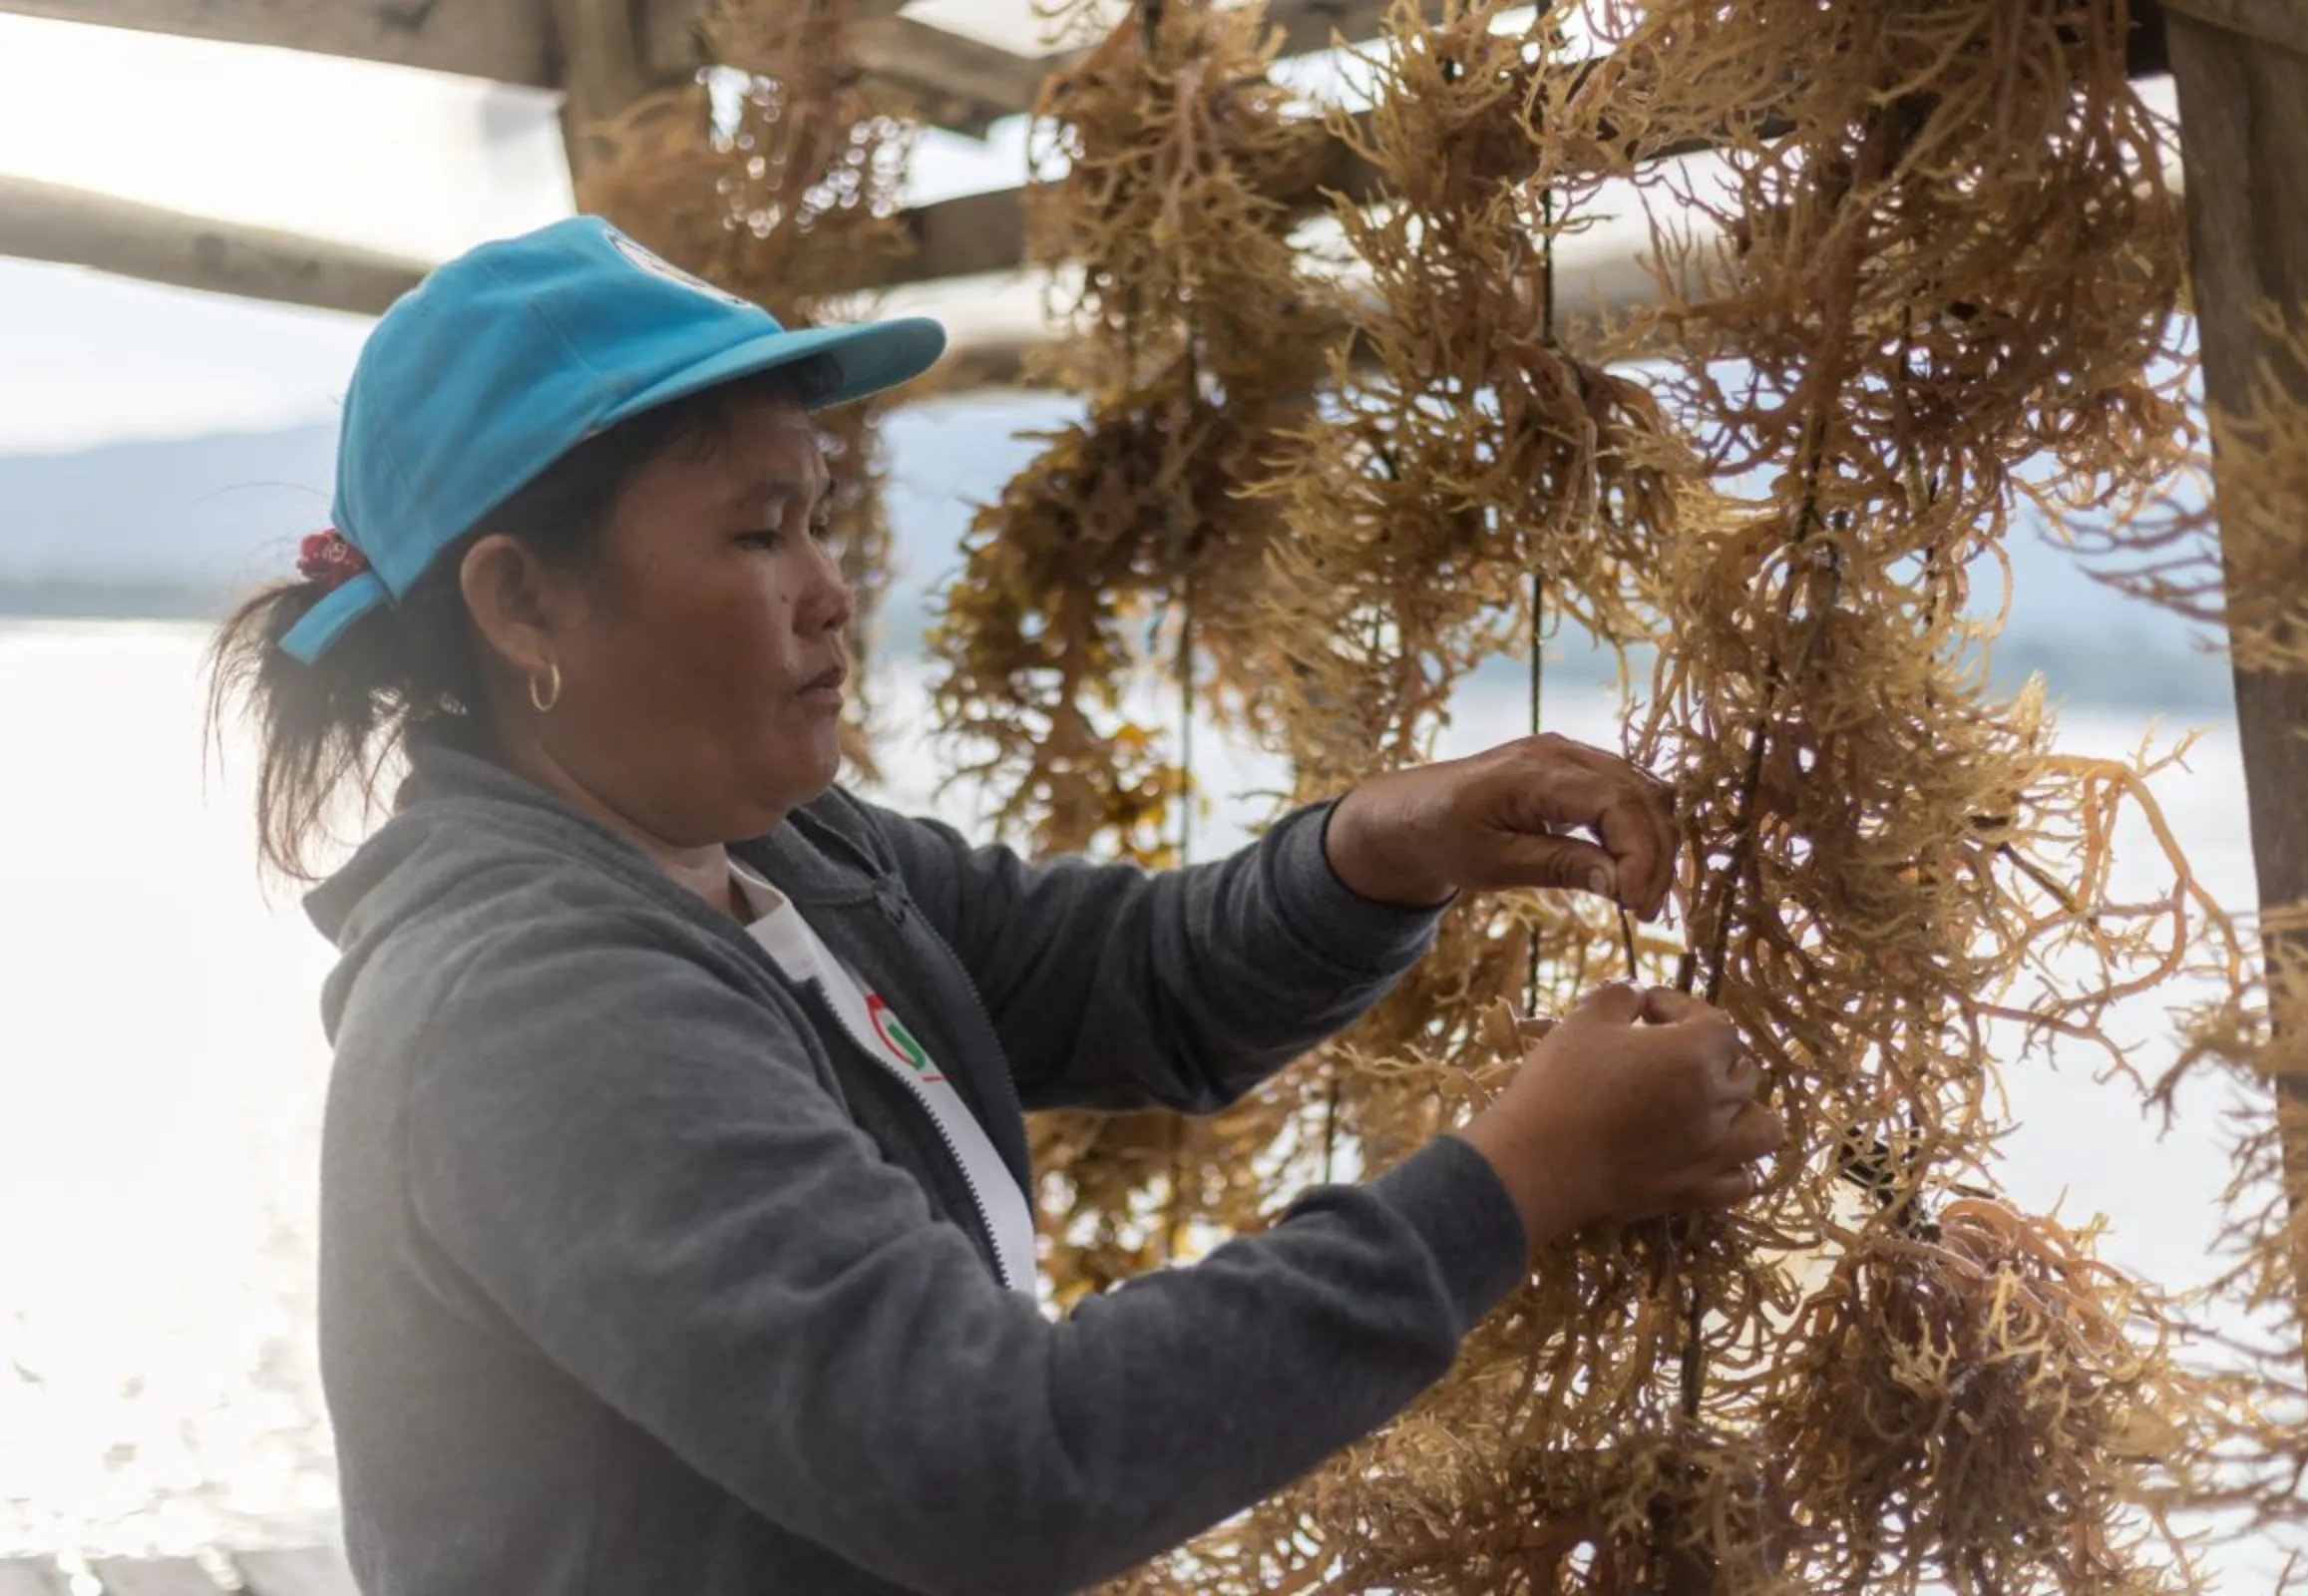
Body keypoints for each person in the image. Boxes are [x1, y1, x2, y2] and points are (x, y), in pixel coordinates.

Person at [206, 217, 1783, 1596]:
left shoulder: (787, 856)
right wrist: (1513, 1183)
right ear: (520, 600)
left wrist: (1376, 848)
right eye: (758, 534)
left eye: (819, 515)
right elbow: (1003, 1463)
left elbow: (1133, 985)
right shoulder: (530, 1011)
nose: (832, 586)